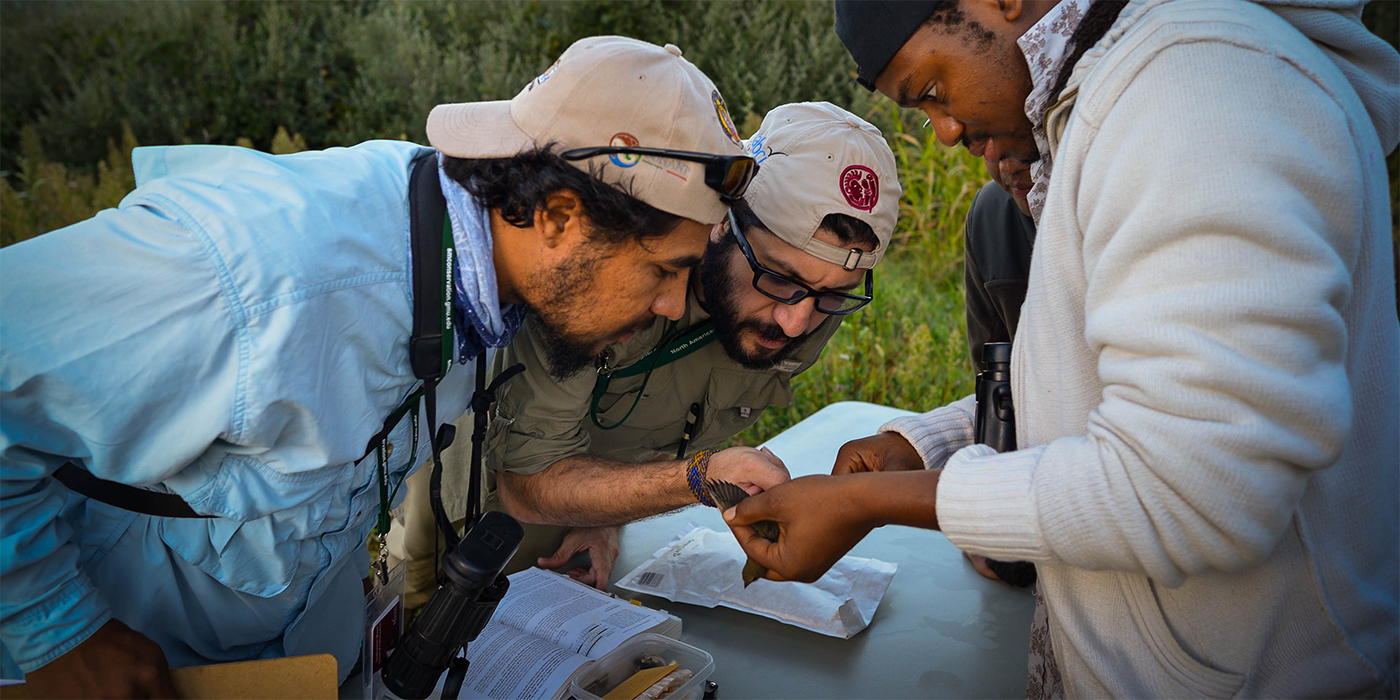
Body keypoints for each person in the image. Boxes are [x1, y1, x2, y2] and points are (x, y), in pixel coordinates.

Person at [0, 36, 756, 699]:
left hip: (293, 660)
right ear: (560, 216)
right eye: (664, 270)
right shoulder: (259, 275)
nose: (669, 304)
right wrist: (60, 637)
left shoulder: (490, 274)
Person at [723, 0, 1400, 696]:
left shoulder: (1189, 89)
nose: (948, 130)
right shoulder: (1113, 98)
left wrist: (872, 502)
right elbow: (1102, 393)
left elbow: (1199, 483)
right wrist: (924, 444)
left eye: (931, 89)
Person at [385, 101, 902, 601]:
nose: (797, 322)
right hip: (467, 510)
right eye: (778, 279)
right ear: (724, 222)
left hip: (578, 524)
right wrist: (698, 479)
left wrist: (609, 516)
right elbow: (525, 478)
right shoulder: (613, 269)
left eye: (834, 295)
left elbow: (678, 424)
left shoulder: (811, 299)